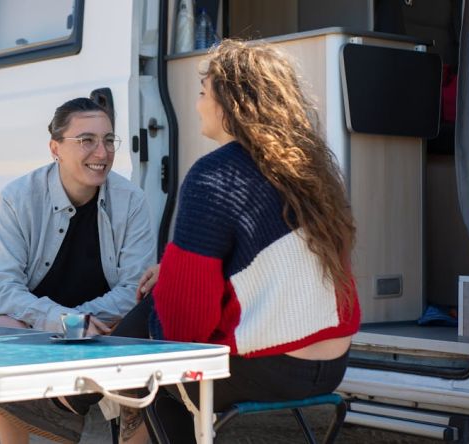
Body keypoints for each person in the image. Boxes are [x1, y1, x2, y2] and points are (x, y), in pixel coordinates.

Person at [125, 39, 362, 441]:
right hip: (333, 365)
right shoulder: (312, 170)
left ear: (232, 103)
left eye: (203, 93)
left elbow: (186, 329)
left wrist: (163, 296)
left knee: (138, 358)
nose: (197, 104)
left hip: (267, 368)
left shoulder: (213, 174)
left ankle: (60, 402)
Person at [0, 97, 157, 443]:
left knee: (146, 328)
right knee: (1, 330)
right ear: (55, 148)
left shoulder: (131, 200)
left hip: (107, 326)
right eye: (86, 140)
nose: (102, 152)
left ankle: (102, 420)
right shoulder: (17, 198)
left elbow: (134, 289)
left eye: (108, 140)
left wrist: (82, 326)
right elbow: (2, 288)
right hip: (37, 326)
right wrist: (66, 324)